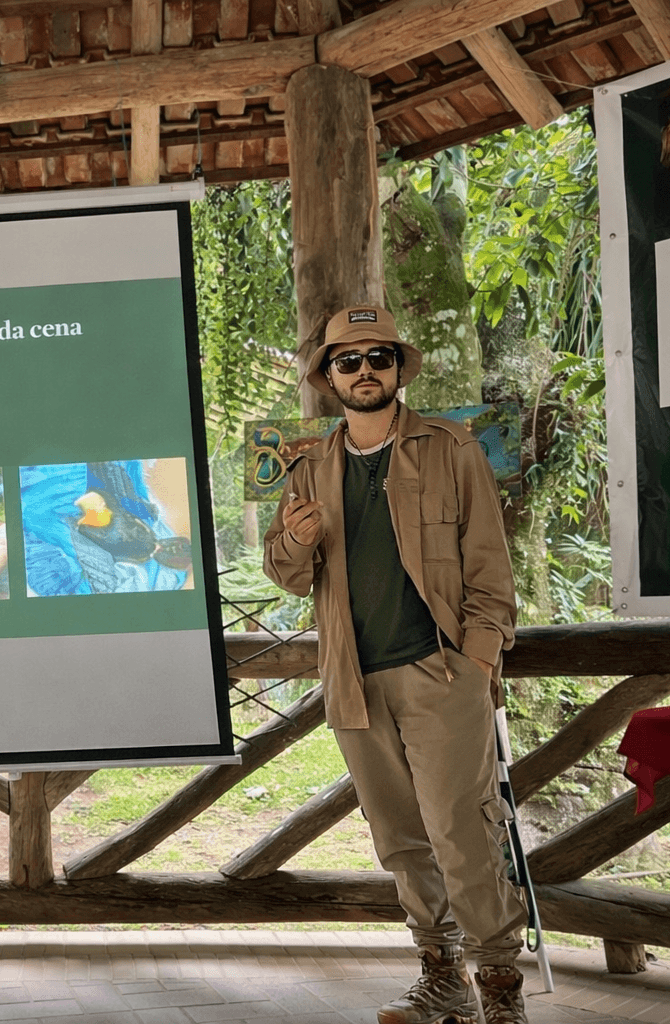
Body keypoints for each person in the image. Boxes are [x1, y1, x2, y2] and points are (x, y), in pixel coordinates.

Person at [263, 305, 529, 1024]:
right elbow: (286, 575)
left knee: (463, 834)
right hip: (353, 681)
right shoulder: (309, 467)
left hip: (441, 675)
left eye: (379, 356)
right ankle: (440, 976)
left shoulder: (451, 450)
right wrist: (293, 540)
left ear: (398, 367)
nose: (365, 371)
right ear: (328, 378)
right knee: (402, 841)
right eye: (347, 361)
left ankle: (499, 987)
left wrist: (477, 662)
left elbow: (491, 577)